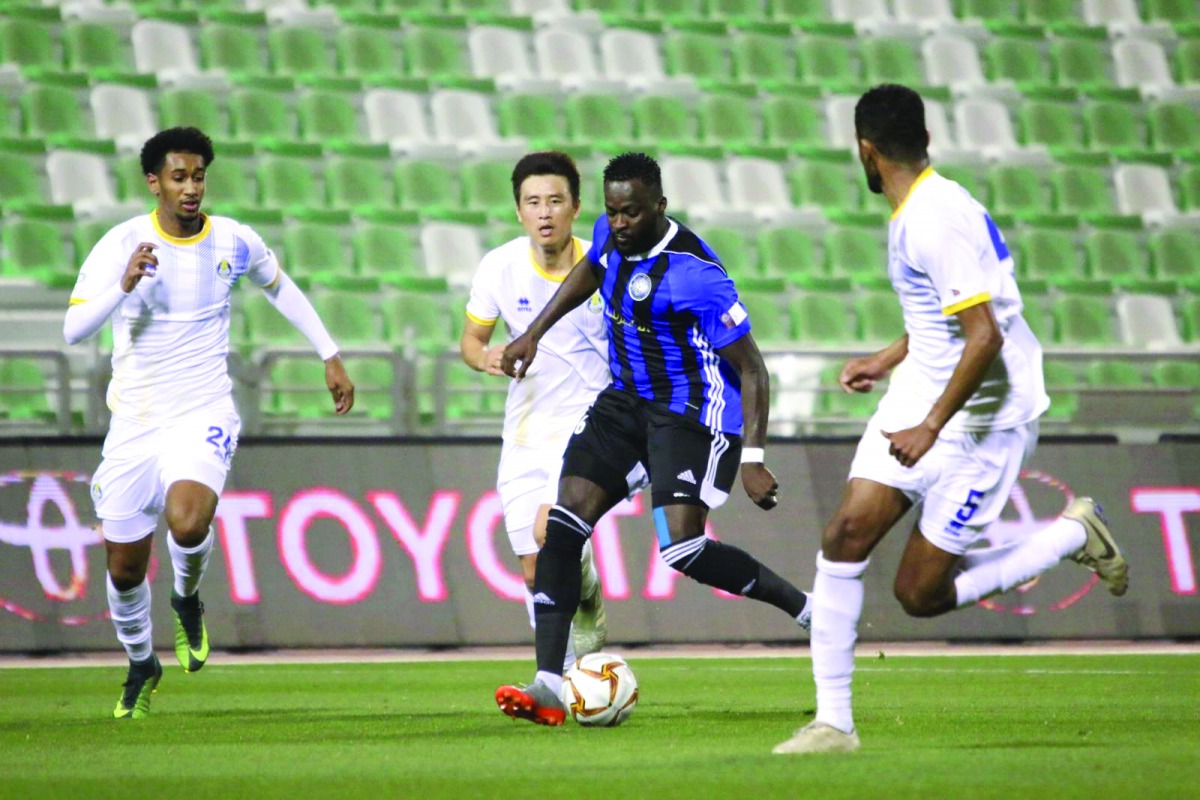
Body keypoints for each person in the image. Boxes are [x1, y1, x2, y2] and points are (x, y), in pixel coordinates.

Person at [772, 85, 1128, 755]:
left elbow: (984, 334)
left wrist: (931, 426)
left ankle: (1069, 536)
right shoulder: (922, 208)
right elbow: (943, 315)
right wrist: (886, 358)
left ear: (866, 150)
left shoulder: (934, 218)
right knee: (846, 533)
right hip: (922, 395)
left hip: (981, 422)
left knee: (920, 595)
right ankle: (834, 725)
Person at [494, 152, 812, 726]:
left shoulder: (698, 276)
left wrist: (755, 458)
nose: (618, 224)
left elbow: (753, 369)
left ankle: (807, 609)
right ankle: (547, 682)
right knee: (563, 527)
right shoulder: (609, 232)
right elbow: (592, 266)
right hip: (625, 402)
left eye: (631, 214)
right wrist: (534, 333)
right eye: (612, 212)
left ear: (659, 208)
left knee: (682, 548)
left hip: (691, 413)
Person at [63, 127, 355, 719]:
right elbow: (73, 331)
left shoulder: (233, 241)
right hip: (135, 421)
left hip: (203, 410)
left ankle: (187, 597)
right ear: (155, 182)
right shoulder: (121, 244)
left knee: (189, 521)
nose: (191, 187)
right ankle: (141, 663)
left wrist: (329, 353)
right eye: (179, 177)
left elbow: (283, 289)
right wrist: (122, 286)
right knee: (123, 569)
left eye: (198, 176)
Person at [460, 151, 636, 664]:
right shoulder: (499, 267)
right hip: (524, 431)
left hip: (590, 429)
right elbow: (471, 340)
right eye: (533, 202)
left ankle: (555, 682)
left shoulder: (606, 265)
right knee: (534, 568)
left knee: (547, 530)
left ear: (576, 208)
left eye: (555, 201)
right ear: (519, 212)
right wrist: (486, 358)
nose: (544, 212)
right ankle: (583, 607)